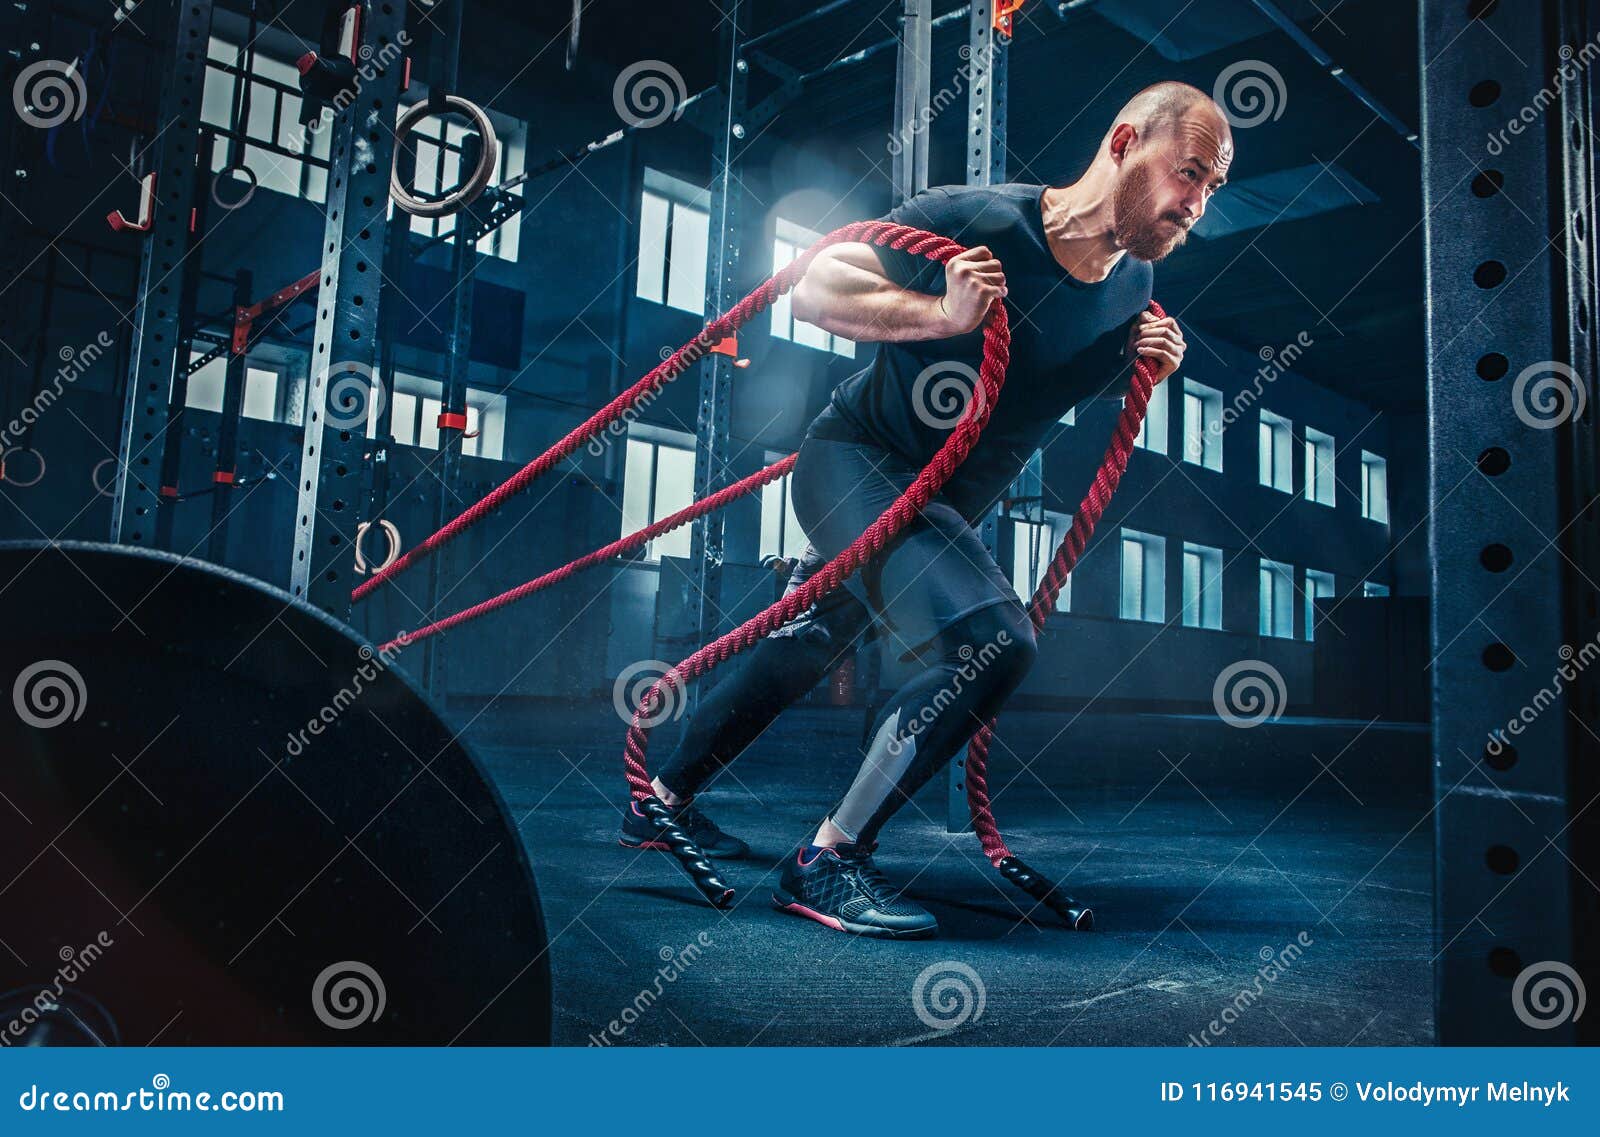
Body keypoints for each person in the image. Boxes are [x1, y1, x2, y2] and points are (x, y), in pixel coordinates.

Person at [620, 81, 1230, 937]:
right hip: (856, 465)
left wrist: (1144, 368)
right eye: (1191, 173)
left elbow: (1042, 386)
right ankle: (826, 860)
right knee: (993, 639)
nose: (1197, 203)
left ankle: (660, 797)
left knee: (816, 637)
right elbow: (816, 288)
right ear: (1126, 142)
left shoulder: (1135, 289)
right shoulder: (978, 219)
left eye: (1212, 189)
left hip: (941, 510)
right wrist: (940, 311)